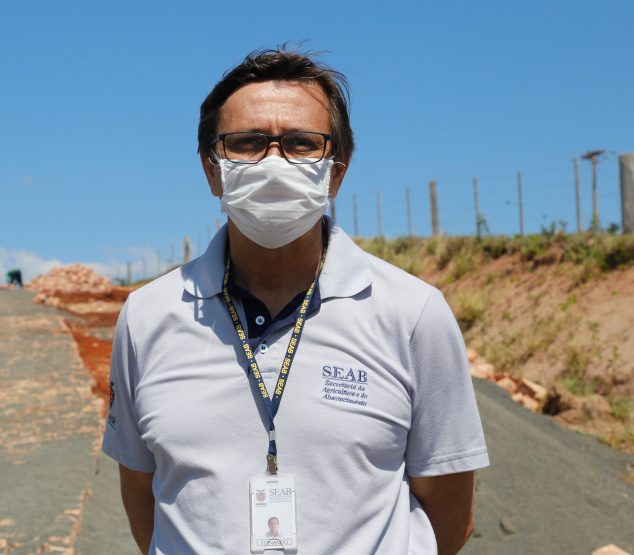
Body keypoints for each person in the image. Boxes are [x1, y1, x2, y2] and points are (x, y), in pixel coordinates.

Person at [102, 46, 489, 555]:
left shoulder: (413, 314)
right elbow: (141, 494)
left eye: (302, 143)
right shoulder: (148, 315)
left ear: (337, 172)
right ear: (212, 170)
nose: (274, 161)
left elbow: (450, 514)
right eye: (247, 143)